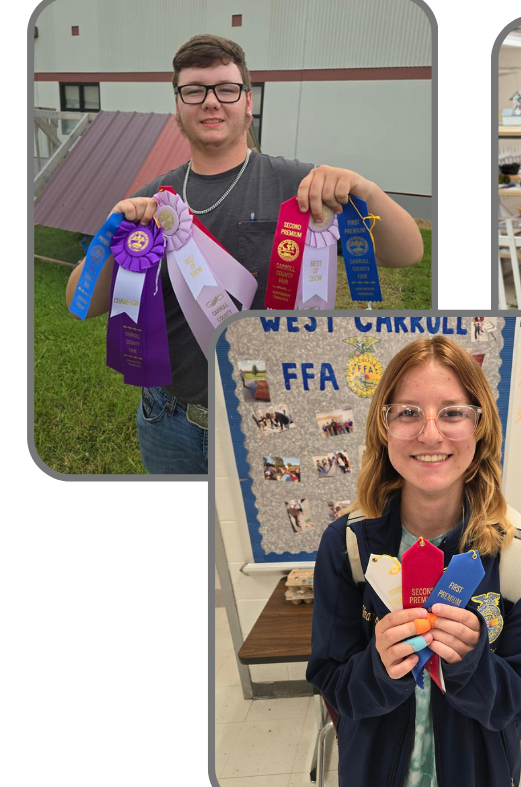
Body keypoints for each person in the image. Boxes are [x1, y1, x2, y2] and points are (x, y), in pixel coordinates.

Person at [64, 34, 425, 475]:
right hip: (169, 417)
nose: (210, 102)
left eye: (225, 89)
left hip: (269, 412)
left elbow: (407, 253)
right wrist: (114, 233)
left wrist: (364, 189)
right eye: (194, 90)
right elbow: (80, 301)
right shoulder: (153, 200)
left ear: (247, 102)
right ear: (178, 107)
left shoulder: (300, 184)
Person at [307, 336, 521, 787]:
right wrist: (378, 669)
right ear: (383, 428)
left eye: (452, 412)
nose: (429, 434)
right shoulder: (347, 547)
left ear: (480, 426)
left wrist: (471, 664)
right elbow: (331, 680)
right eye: (407, 412)